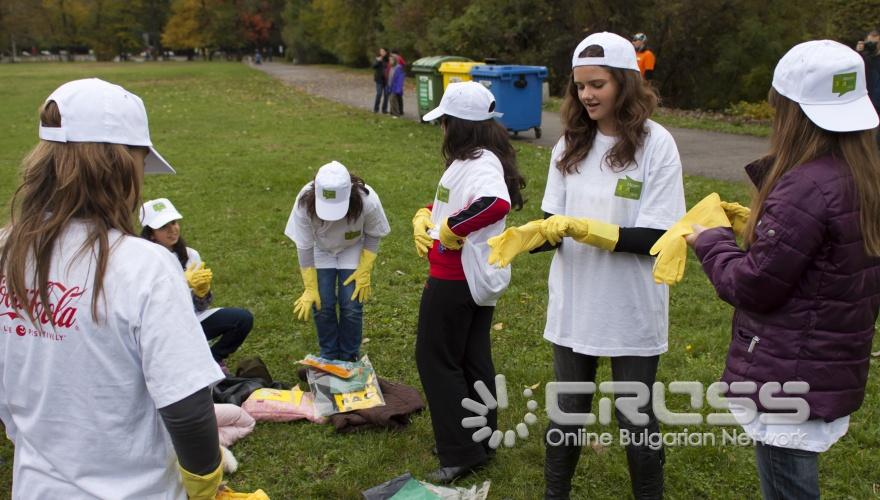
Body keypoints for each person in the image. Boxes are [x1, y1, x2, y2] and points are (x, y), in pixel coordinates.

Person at [0, 78, 225, 498]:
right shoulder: (144, 266)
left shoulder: (6, 249)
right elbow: (188, 409)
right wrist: (205, 481)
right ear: (120, 167)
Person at [487, 32, 685, 499]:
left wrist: (590, 230)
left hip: (632, 306)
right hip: (576, 304)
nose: (587, 95)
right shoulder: (569, 146)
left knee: (634, 413)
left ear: (626, 83)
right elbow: (556, 223)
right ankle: (556, 493)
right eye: (579, 86)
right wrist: (528, 238)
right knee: (568, 408)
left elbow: (660, 238)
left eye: (598, 84)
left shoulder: (656, 145)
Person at [685, 40, 880, 500]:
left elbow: (753, 284)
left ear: (789, 112)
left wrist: (710, 239)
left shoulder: (805, 188)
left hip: (789, 372)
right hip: (828, 362)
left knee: (788, 484)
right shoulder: (863, 177)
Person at [412, 81, 526, 483]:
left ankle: (460, 452)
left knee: (435, 360)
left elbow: (496, 204)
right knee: (472, 360)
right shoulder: (474, 159)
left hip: (454, 278)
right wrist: (427, 214)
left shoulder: (479, 163)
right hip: (469, 279)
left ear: (457, 124)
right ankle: (482, 437)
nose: (441, 128)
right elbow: (455, 201)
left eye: (444, 121)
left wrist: (452, 229)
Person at [285, 161, 390, 362]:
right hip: (320, 250)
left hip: (352, 248)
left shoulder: (368, 200)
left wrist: (365, 268)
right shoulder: (303, 202)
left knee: (351, 305)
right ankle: (330, 355)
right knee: (322, 303)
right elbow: (305, 246)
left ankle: (349, 356)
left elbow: (373, 234)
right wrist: (310, 287)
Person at [140, 198, 254, 374]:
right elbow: (150, 306)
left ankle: (212, 360)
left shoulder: (191, 255)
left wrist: (203, 293)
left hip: (191, 320)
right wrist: (181, 283)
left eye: (174, 222)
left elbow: (199, 307)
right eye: (164, 227)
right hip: (162, 329)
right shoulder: (144, 260)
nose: (173, 230)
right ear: (151, 234)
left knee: (242, 319)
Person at [372, 47, 390, 113]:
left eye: (383, 51)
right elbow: (373, 66)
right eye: (380, 51)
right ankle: (376, 109)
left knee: (386, 95)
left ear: (386, 52)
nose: (381, 53)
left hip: (386, 80)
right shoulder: (377, 58)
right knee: (379, 94)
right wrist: (378, 61)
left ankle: (384, 109)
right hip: (379, 79)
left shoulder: (388, 59)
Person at [391, 49, 406, 114]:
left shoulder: (398, 59)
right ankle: (397, 111)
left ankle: (398, 111)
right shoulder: (392, 65)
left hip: (397, 84)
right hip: (394, 84)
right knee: (396, 98)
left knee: (397, 98)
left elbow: (403, 64)